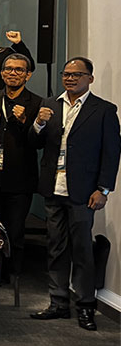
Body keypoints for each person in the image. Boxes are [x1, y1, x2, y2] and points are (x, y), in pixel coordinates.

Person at [29, 57, 120, 331]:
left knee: (82, 250)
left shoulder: (103, 110)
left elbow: (111, 153)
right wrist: (38, 123)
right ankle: (58, 302)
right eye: (66, 74)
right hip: (53, 188)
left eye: (76, 74)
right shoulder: (50, 105)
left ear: (90, 78)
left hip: (84, 192)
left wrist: (103, 189)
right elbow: (34, 143)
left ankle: (85, 305)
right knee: (55, 248)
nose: (69, 78)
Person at [0, 53, 42, 284]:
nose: (13, 73)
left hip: (20, 177)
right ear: (2, 73)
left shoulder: (37, 103)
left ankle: (15, 276)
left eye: (19, 70)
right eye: (9, 69)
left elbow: (39, 142)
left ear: (28, 75)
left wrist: (24, 122)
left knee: (16, 230)